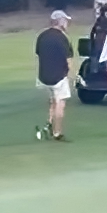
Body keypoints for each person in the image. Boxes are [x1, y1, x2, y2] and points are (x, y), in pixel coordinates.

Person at [35, 10, 74, 141]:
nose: (67, 23)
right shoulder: (63, 38)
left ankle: (49, 124)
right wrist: (71, 76)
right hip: (58, 77)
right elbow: (68, 61)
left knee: (53, 101)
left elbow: (39, 54)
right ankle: (57, 133)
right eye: (66, 21)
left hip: (43, 77)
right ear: (61, 21)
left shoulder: (42, 36)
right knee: (60, 104)